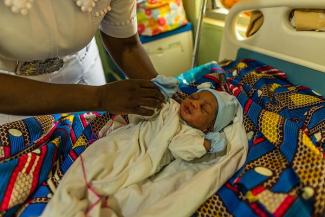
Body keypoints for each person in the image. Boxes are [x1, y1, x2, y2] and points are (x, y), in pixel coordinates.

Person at [40, 79, 241, 216]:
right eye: (196, 97)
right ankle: (64, 203)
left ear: (208, 127)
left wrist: (207, 144)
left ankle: (91, 205)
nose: (195, 103)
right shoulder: (170, 106)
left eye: (204, 108)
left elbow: (181, 149)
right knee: (97, 162)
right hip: (124, 141)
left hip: (143, 159)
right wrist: (158, 92)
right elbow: (141, 112)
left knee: (115, 184)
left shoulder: (192, 134)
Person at [0, 0, 163, 124]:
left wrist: (163, 94)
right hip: (13, 96)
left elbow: (126, 46)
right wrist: (99, 97)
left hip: (83, 71)